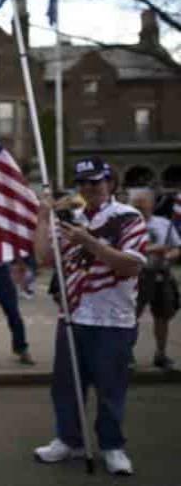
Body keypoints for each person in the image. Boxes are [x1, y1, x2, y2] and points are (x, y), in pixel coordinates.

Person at [33, 157, 148, 475]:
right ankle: (69, 440)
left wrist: (89, 242)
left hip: (113, 320)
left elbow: (132, 265)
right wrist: (43, 217)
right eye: (82, 183)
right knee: (66, 387)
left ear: (111, 183)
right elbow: (43, 257)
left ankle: (112, 446)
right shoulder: (73, 218)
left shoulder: (127, 218)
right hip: (73, 315)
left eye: (95, 182)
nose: (88, 188)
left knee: (110, 389)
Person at [129, 188, 180, 370]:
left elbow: (176, 248)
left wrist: (167, 256)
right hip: (137, 275)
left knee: (162, 316)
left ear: (151, 204)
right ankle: (128, 354)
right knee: (131, 316)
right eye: (136, 204)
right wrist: (152, 249)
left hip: (161, 274)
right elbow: (125, 250)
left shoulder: (164, 224)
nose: (140, 207)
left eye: (143, 203)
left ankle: (161, 354)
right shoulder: (128, 224)